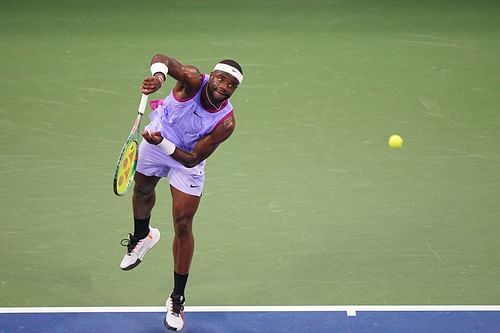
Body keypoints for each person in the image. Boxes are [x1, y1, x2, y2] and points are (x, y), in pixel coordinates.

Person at [119, 54, 243, 331]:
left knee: (183, 225)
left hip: (186, 158)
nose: (224, 86)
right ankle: (143, 235)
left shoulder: (226, 122)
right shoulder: (192, 79)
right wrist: (160, 77)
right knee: (141, 191)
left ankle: (177, 298)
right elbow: (161, 58)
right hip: (158, 134)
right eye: (221, 78)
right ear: (212, 75)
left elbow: (191, 160)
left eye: (232, 84)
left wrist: (162, 144)